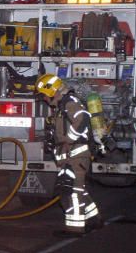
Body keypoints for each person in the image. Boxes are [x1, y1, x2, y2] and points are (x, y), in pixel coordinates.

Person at [34, 73, 102, 235]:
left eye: (44, 95)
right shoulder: (62, 105)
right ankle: (94, 219)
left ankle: (75, 228)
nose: (43, 99)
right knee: (78, 189)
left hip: (76, 155)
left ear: (52, 91)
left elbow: (83, 118)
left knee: (71, 192)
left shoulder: (69, 103)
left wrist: (68, 140)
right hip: (70, 156)